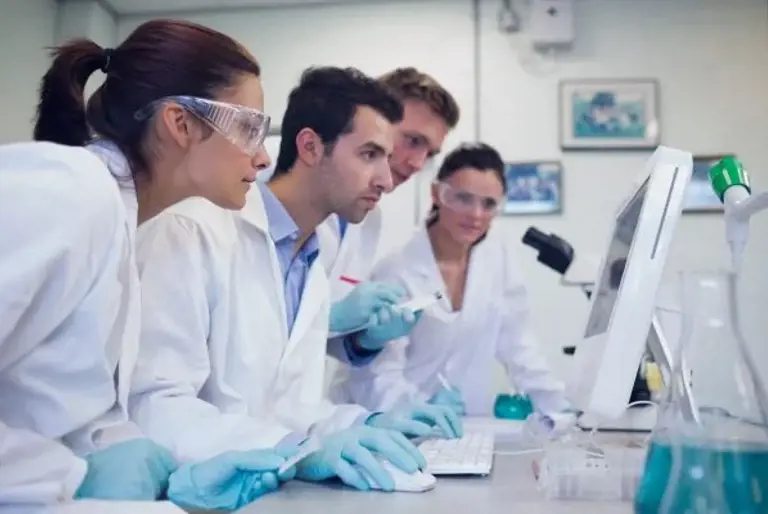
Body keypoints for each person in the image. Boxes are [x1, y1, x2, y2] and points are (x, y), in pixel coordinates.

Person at [0, 19, 296, 510]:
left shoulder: (126, 221)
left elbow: (57, 410)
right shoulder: (72, 189)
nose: (262, 158)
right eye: (249, 129)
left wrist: (169, 479)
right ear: (180, 123)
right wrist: (68, 475)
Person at [129, 66, 462, 496]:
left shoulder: (308, 259)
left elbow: (286, 404)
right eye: (369, 154)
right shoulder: (192, 230)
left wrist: (367, 423)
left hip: (268, 493)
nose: (387, 177)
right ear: (309, 146)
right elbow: (155, 405)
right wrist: (296, 448)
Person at [331, 143, 570, 418]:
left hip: (466, 426)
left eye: (489, 204)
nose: (476, 215)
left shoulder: (498, 258)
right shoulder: (397, 270)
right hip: (392, 422)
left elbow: (518, 344)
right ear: (437, 194)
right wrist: (421, 409)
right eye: (463, 199)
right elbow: (376, 375)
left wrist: (558, 405)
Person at [320, 67, 461, 365]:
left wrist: (366, 341)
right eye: (413, 140)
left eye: (430, 153)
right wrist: (327, 317)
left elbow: (323, 343)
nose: (417, 163)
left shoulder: (368, 217)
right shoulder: (264, 181)